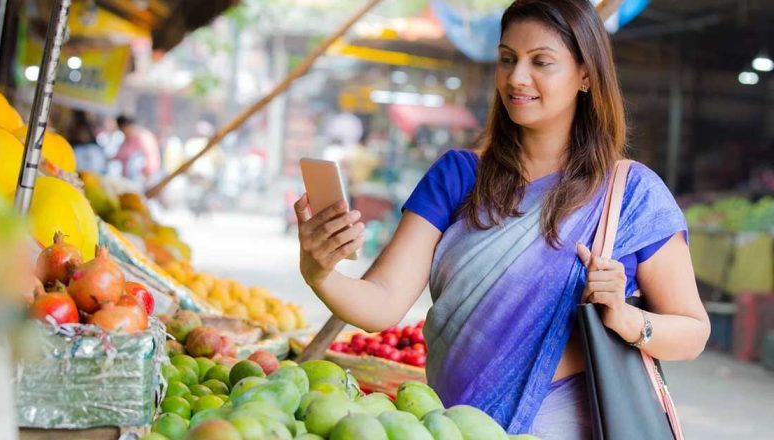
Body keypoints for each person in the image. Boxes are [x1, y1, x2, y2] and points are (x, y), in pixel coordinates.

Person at [293, 1, 710, 438]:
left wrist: (626, 319)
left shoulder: (632, 195)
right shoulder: (457, 176)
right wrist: (318, 271)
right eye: (507, 59)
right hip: (454, 426)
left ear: (586, 75)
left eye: (541, 62)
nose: (516, 78)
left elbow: (693, 331)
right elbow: (381, 302)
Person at [114, 115, 161, 181]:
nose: (123, 132)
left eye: (122, 129)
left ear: (126, 126)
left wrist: (147, 175)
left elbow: (150, 159)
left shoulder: (143, 137)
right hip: (129, 178)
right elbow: (121, 155)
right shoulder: (128, 138)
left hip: (143, 179)